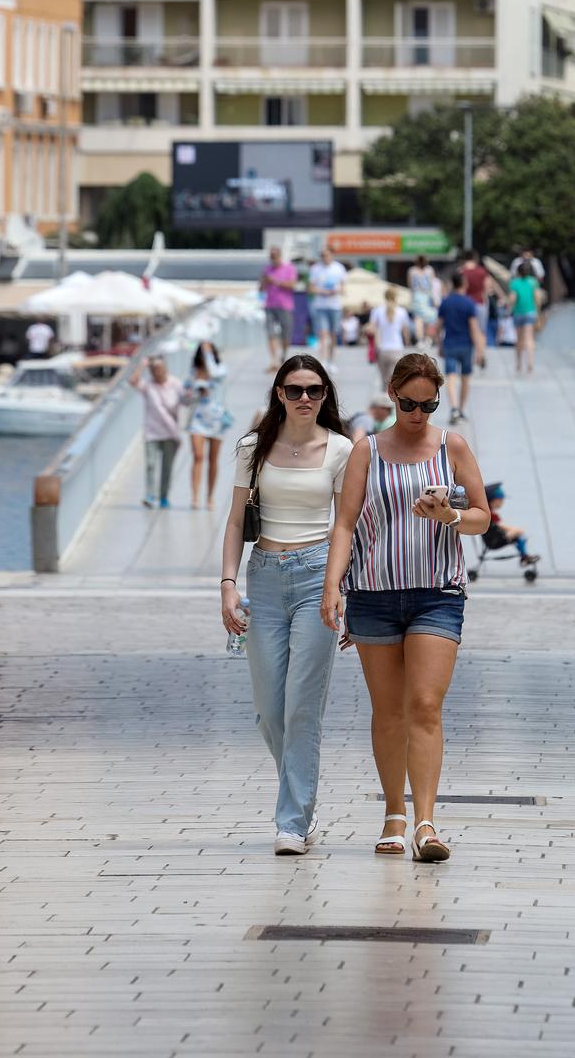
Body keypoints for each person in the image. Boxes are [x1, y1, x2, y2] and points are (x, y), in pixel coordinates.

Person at [320, 352, 490, 862]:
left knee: (424, 705)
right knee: (388, 710)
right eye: (410, 403)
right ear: (393, 396)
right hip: (373, 593)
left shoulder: (451, 446)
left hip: (437, 593)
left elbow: (484, 516)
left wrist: (449, 516)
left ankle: (426, 822)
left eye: (429, 404)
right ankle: (394, 811)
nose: (419, 414)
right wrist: (334, 587)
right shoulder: (365, 450)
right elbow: (346, 523)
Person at [220, 355, 352, 856]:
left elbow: (345, 526)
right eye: (294, 390)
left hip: (319, 575)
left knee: (301, 705)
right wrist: (228, 585)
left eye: (314, 391)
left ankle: (293, 822)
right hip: (264, 577)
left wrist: (341, 589)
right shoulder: (253, 448)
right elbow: (235, 522)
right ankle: (302, 802)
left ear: (325, 395)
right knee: (269, 711)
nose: (304, 399)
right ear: (278, 393)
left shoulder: (341, 449)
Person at [130, 354, 183, 509]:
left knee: (166, 468)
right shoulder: (148, 386)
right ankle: (150, 495)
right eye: (153, 369)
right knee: (151, 464)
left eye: (159, 368)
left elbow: (186, 399)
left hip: (170, 432)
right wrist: (143, 364)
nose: (157, 372)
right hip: (152, 432)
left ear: (165, 368)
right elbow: (133, 381)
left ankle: (163, 497)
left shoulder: (175, 384)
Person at [183, 342, 229, 510]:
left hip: (217, 419)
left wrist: (209, 354)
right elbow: (184, 399)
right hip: (197, 418)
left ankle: (210, 496)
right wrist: (191, 393)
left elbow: (215, 373)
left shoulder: (220, 369)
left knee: (213, 460)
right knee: (198, 456)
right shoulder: (193, 373)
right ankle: (194, 496)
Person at [438, 270, 485, 423]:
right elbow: (474, 328)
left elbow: (439, 326)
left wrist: (439, 344)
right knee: (465, 378)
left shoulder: (446, 302)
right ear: (464, 284)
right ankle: (462, 409)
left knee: (450, 376)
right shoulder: (469, 303)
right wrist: (479, 351)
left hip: (450, 344)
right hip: (466, 345)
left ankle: (453, 407)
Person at [483, 481, 539, 567]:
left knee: (519, 536)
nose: (502, 502)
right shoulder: (489, 515)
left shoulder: (492, 514)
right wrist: (514, 530)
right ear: (493, 500)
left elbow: (500, 526)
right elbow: (500, 525)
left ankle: (524, 556)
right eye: (501, 500)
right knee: (518, 532)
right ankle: (524, 557)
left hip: (498, 538)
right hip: (494, 541)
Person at [367, 288, 413, 391]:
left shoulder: (377, 311)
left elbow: (371, 329)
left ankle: (385, 401)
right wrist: (407, 343)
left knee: (385, 381)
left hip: (382, 349)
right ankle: (394, 403)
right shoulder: (402, 311)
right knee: (395, 380)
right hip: (397, 348)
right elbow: (406, 332)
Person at [260, 246, 298, 372]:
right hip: (270, 305)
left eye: (274, 256)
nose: (273, 259)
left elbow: (293, 285)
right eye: (271, 256)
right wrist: (264, 281)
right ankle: (274, 361)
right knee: (270, 333)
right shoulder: (267, 269)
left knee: (285, 334)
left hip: (285, 305)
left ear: (279, 256)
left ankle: (283, 355)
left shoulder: (289, 268)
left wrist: (276, 281)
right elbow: (261, 288)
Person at [308, 245, 346, 368]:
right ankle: (322, 360)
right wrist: (322, 291)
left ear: (332, 255)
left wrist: (336, 290)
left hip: (335, 305)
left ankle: (332, 360)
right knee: (323, 334)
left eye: (327, 255)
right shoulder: (315, 269)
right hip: (320, 306)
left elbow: (343, 287)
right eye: (323, 255)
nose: (325, 258)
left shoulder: (339, 268)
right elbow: (311, 288)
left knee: (334, 334)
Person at [508, 262, 540, 374]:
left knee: (519, 339)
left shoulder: (515, 283)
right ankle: (530, 362)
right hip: (530, 312)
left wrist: (508, 307)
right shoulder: (533, 282)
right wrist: (537, 311)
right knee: (529, 338)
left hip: (518, 313)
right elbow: (537, 297)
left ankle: (519, 363)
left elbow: (512, 298)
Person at [461, 249, 496, 344]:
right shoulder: (482, 271)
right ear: (475, 258)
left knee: (467, 330)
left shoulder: (461, 272)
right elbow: (488, 288)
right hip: (480, 303)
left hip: (465, 304)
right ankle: (481, 354)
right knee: (481, 331)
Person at [406, 254, 438, 345]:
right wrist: (434, 298)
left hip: (417, 296)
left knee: (418, 319)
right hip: (427, 295)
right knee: (429, 319)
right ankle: (428, 339)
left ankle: (420, 340)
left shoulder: (411, 271)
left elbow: (410, 286)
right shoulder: (430, 270)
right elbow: (432, 285)